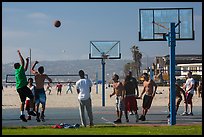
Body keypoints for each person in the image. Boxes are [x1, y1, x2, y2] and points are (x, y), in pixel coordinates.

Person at [14, 50, 36, 122]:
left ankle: (22, 115)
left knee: (23, 102)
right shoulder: (19, 70)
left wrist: (27, 62)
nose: (21, 65)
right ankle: (31, 111)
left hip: (19, 88)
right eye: (19, 65)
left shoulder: (17, 71)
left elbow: (25, 69)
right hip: (23, 87)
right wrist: (19, 54)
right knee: (32, 97)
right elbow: (22, 62)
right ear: (18, 66)